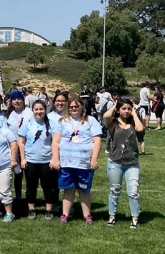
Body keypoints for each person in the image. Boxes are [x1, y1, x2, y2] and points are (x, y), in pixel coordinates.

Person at [51, 96, 102, 224]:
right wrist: (55, 158)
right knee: (68, 190)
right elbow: (56, 141)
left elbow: (97, 141)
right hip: (66, 162)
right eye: (71, 107)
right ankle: (65, 214)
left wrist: (94, 159)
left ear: (82, 107)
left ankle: (87, 215)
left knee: (84, 190)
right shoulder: (62, 121)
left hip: (84, 163)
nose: (74, 109)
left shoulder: (91, 121)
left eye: (76, 106)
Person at [103, 99, 144, 228]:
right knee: (114, 190)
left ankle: (135, 217)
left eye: (128, 109)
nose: (126, 111)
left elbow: (140, 129)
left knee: (133, 191)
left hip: (132, 163)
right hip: (115, 162)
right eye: (124, 108)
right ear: (119, 110)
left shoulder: (133, 123)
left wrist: (135, 113)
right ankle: (112, 216)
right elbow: (106, 116)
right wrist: (115, 106)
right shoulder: (113, 124)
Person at [18, 101, 59, 220]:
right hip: (30, 160)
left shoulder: (52, 124)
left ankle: (49, 210)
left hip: (46, 161)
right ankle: (31, 209)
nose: (38, 111)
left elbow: (55, 142)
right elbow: (21, 142)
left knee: (48, 186)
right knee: (31, 186)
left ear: (45, 109)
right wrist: (23, 159)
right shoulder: (27, 123)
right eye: (36, 109)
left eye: (41, 109)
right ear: (32, 110)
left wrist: (54, 159)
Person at [5, 91, 33, 202]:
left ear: (23, 100)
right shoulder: (9, 114)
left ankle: (30, 198)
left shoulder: (29, 112)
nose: (16, 101)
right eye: (14, 99)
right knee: (17, 174)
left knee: (29, 175)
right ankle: (18, 197)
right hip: (14, 149)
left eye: (19, 99)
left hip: (28, 147)